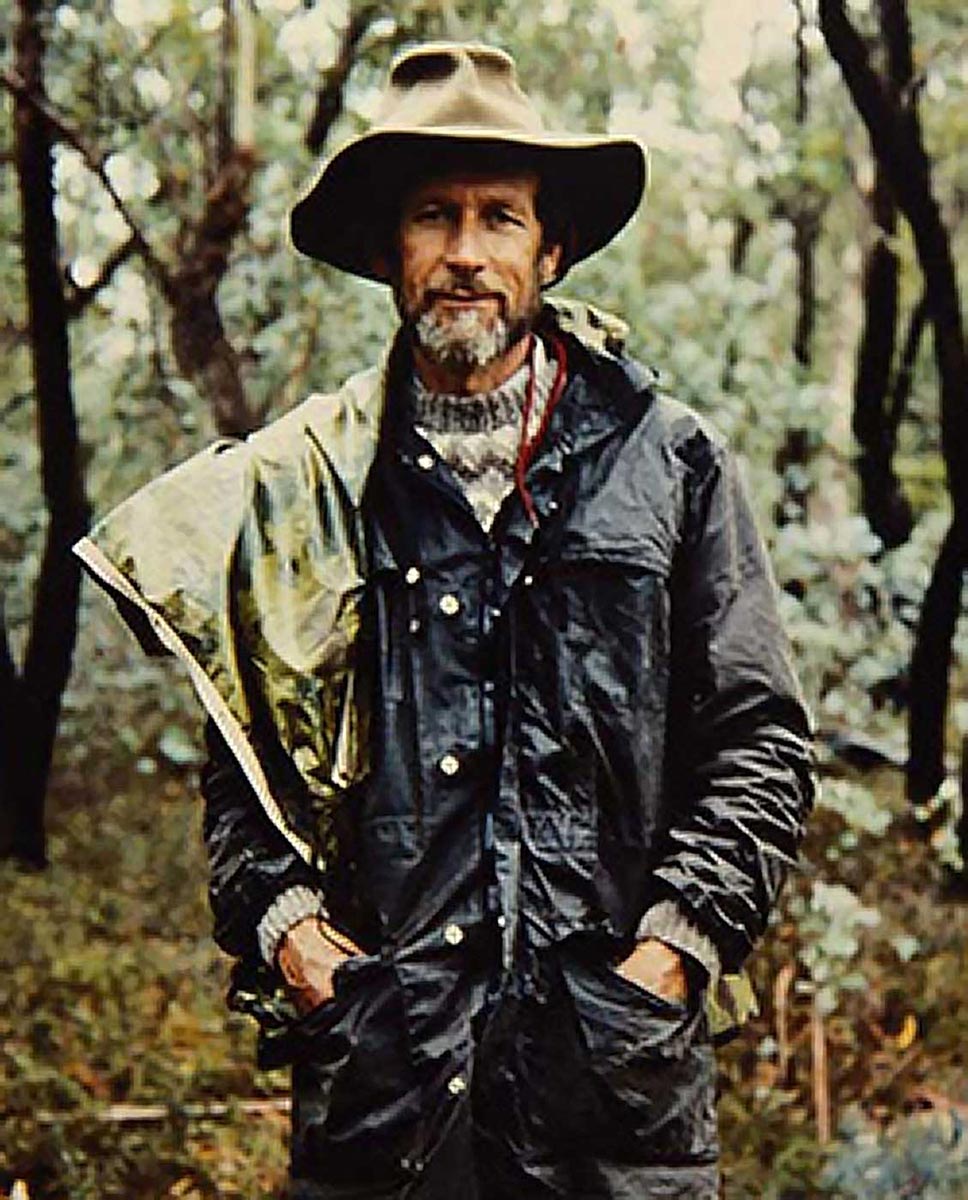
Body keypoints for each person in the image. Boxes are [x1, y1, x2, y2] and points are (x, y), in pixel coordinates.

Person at [76, 42, 814, 1200]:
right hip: (386, 1087)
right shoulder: (306, 487)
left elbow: (759, 739)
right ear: (389, 252)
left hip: (610, 1097)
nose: (466, 252)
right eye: (434, 217)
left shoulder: (668, 462)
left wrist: (671, 954)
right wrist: (295, 939)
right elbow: (244, 762)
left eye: (499, 218)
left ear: (549, 248)